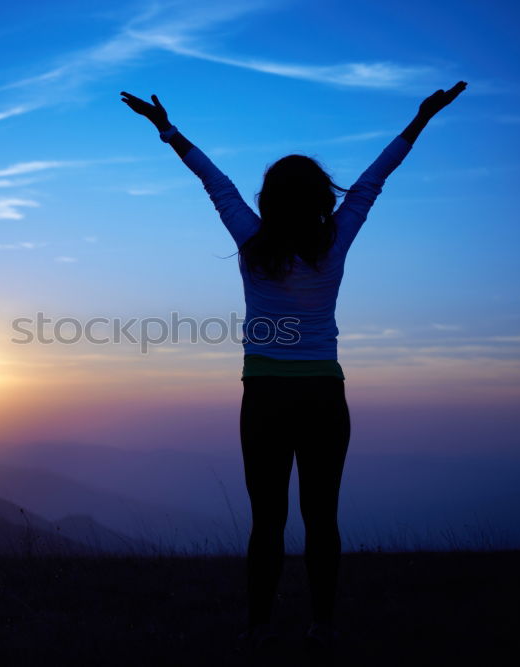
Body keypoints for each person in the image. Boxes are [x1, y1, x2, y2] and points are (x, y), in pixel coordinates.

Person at [120, 81, 467, 657]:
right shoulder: (336, 239)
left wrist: (167, 128)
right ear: (321, 199)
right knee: (321, 516)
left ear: (270, 197)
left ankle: (258, 626)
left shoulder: (251, 237)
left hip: (264, 397)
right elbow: (374, 180)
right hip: (324, 398)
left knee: (267, 520)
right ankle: (323, 625)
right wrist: (420, 118)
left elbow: (215, 182)